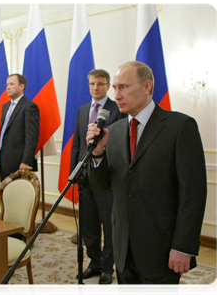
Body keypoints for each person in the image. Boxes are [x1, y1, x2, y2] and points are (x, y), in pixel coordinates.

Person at [86, 61, 207, 294]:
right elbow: (103, 185)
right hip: (123, 248)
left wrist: (184, 246)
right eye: (115, 89)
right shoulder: (117, 129)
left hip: (160, 249)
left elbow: (193, 192)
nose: (117, 95)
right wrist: (98, 154)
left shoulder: (180, 126)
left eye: (123, 87)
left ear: (146, 86)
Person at [70, 69, 125, 286]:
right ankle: (94, 262)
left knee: (108, 225)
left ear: (108, 85)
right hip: (85, 179)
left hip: (107, 177)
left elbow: (119, 143)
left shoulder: (117, 109)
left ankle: (106, 268)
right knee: (88, 225)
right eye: (92, 83)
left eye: (101, 84)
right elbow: (77, 143)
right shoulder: (83, 109)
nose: (96, 88)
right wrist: (74, 171)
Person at [0, 74, 40, 182]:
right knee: (5, 193)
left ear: (22, 86)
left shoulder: (29, 107)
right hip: (4, 159)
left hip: (19, 162)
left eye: (12, 84)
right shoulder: (5, 106)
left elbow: (32, 137)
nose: (8, 87)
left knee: (18, 196)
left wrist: (25, 162)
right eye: (7, 84)